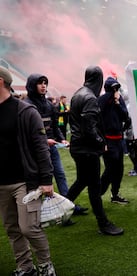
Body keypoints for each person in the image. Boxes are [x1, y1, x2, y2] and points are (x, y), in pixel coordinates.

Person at [0, 66, 56, 275]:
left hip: (26, 182)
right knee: (12, 229)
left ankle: (45, 265)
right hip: (2, 183)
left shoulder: (25, 111)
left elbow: (41, 147)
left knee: (29, 228)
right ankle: (25, 267)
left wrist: (46, 180)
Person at [66, 65, 123, 235]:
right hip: (87, 149)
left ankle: (61, 211)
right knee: (93, 186)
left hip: (78, 147)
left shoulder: (78, 93)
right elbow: (89, 128)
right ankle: (103, 223)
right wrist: (100, 143)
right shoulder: (89, 98)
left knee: (82, 181)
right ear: (98, 80)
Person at [24, 74, 87, 219]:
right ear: (32, 85)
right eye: (40, 83)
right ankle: (38, 214)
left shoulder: (48, 105)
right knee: (39, 182)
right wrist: (45, 141)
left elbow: (54, 126)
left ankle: (67, 206)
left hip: (51, 149)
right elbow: (26, 133)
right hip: (35, 151)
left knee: (60, 175)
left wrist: (61, 139)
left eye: (45, 83)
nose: (43, 86)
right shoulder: (26, 106)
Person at [98, 76, 130, 204]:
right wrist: (102, 141)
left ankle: (115, 194)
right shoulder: (102, 100)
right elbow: (98, 118)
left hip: (118, 140)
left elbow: (125, 116)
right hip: (108, 140)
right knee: (110, 169)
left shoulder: (119, 100)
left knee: (119, 169)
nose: (115, 90)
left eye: (117, 88)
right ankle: (98, 194)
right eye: (113, 88)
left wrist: (117, 103)